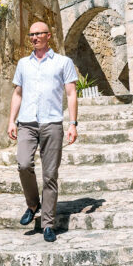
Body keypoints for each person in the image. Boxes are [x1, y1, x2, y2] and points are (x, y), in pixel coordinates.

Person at [6, 20, 78, 242]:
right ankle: (33, 204)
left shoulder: (63, 62)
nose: (34, 38)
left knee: (50, 175)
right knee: (23, 164)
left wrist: (73, 123)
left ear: (49, 36)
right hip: (27, 122)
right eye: (31, 35)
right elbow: (18, 93)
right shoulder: (23, 64)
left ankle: (47, 224)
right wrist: (11, 121)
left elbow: (71, 93)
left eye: (38, 34)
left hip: (52, 123)